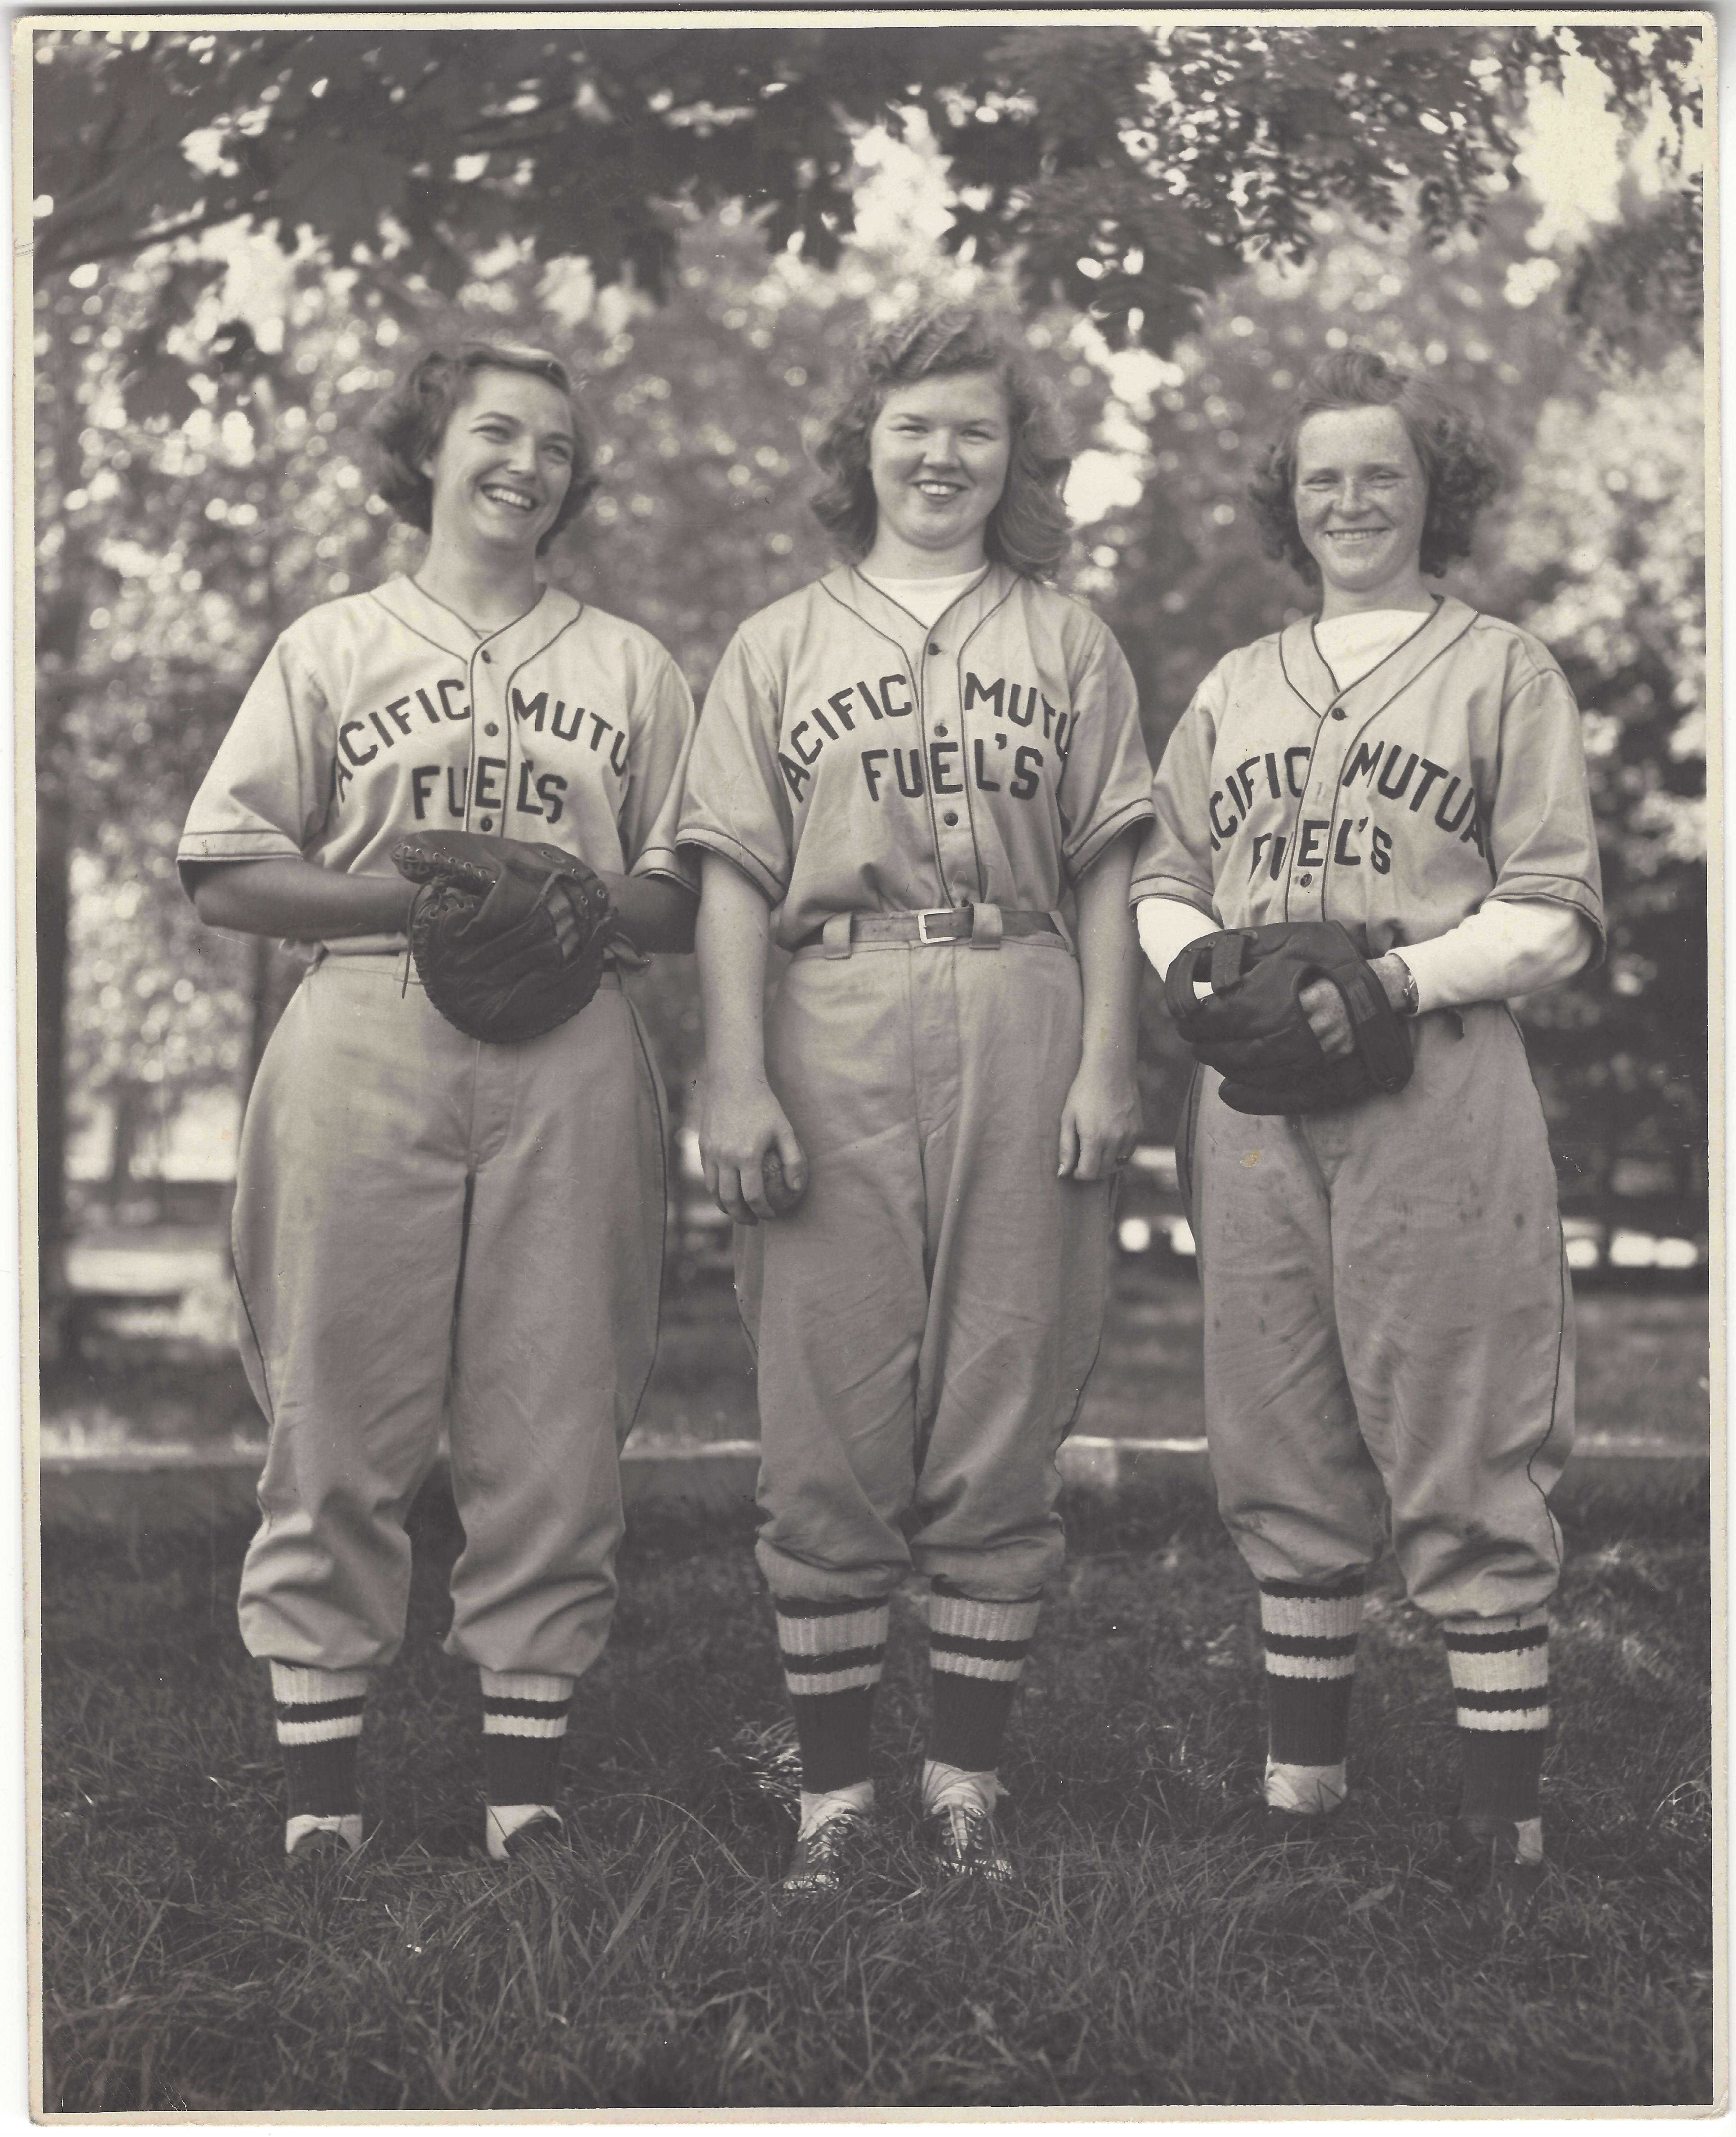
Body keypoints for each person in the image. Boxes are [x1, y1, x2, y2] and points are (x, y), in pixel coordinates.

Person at [178, 340, 697, 1861]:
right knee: (334, 1395)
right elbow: (221, 868)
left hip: (574, 1028)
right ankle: (322, 1798)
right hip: (365, 1010)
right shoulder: (333, 642)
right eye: (492, 431)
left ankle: (522, 1788)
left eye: (552, 443)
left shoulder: (632, 665)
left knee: (556, 1400)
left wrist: (574, 902)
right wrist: (407, 901)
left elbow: (686, 890)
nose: (524, 462)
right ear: (429, 452)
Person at [679, 306, 1153, 1891]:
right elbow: (733, 876)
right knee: (823, 1407)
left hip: (1024, 996)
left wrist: (1106, 1051)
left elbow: (1106, 862)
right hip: (831, 1005)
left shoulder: (1068, 639)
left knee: (1005, 1390)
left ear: (1012, 458)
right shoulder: (777, 642)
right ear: (859, 449)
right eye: (911, 428)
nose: (940, 455)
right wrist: (732, 1071)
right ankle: (830, 1800)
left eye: (973, 430)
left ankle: (962, 1784)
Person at [1132, 349, 1603, 1908]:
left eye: (1379, 475)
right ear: (1289, 502)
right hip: (1261, 1093)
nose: (1347, 499)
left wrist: (1390, 978)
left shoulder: (1502, 670)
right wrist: (1204, 975)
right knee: (1275, 1423)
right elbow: (1160, 878)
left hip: (1435, 1073)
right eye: (1319, 477)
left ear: (1430, 494)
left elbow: (1550, 917)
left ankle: (1502, 1825)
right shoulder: (1232, 683)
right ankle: (1299, 1793)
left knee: (1458, 1422)